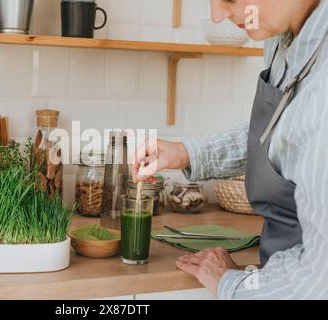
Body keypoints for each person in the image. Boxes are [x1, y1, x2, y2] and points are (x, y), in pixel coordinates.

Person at [131, 0, 328, 299]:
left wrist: (232, 283)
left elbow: (317, 282)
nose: (217, 14)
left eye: (231, 0)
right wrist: (186, 152)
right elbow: (285, 133)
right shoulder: (284, 37)